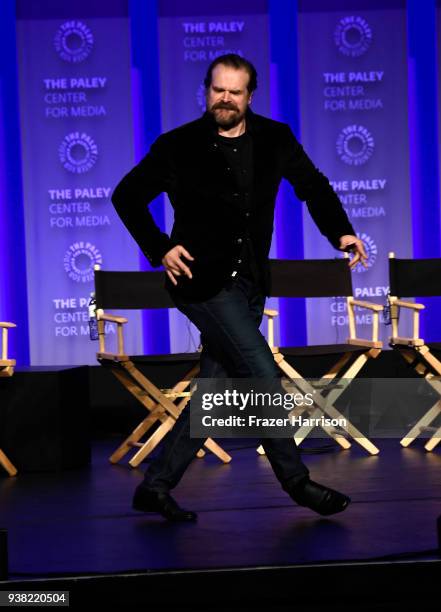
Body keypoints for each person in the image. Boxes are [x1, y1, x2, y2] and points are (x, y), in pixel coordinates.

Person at [111, 54, 367, 522]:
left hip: (250, 282)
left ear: (250, 96)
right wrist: (159, 247)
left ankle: (156, 485)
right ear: (206, 91)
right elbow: (125, 195)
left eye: (234, 92)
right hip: (201, 284)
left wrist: (342, 232)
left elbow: (313, 185)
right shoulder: (179, 146)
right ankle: (297, 481)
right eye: (217, 90)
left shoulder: (274, 138)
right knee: (261, 374)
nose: (224, 99)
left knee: (213, 391)